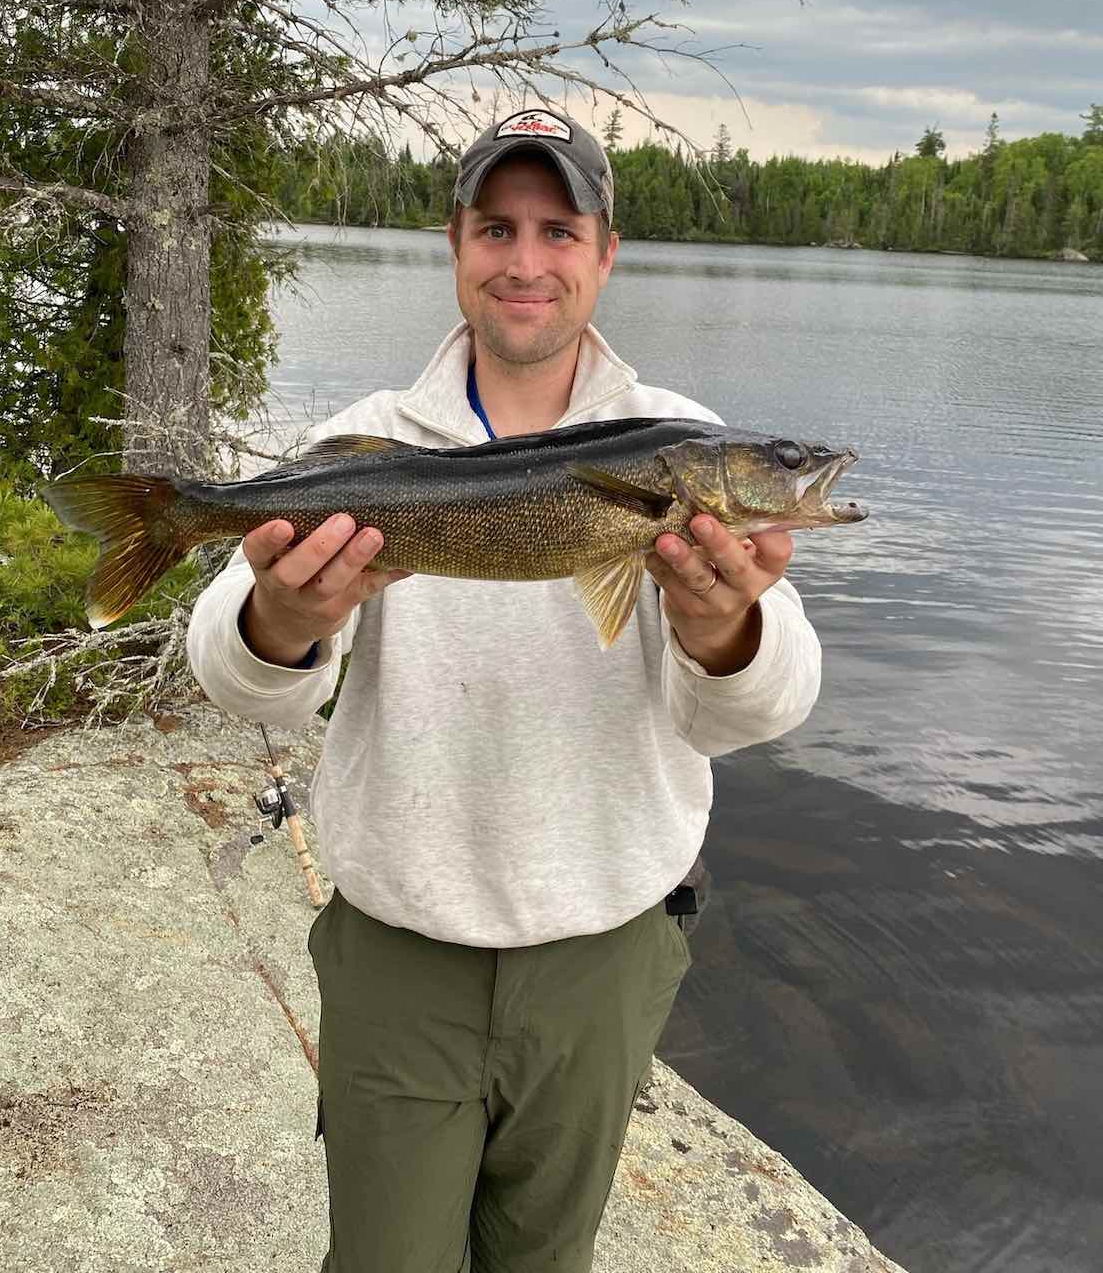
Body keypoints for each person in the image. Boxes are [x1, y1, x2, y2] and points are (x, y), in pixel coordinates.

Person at [186, 107, 822, 1273]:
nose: (525, 262)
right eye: (497, 228)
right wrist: (282, 619)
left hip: (604, 955)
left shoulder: (676, 440)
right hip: (397, 952)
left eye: (557, 230)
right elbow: (242, 685)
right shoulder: (366, 441)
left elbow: (756, 711)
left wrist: (724, 623)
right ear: (456, 244)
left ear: (606, 252)